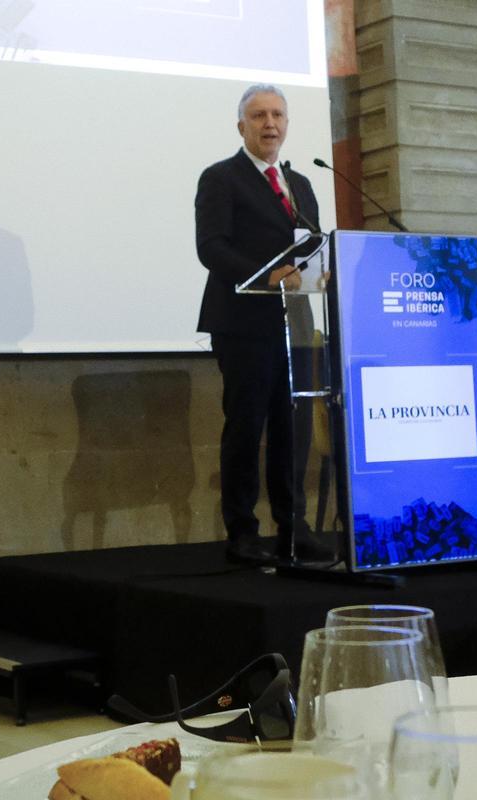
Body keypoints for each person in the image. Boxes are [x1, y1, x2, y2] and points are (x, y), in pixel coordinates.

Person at [194, 84, 331, 566]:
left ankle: (294, 527)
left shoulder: (301, 185)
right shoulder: (221, 178)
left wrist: (320, 272)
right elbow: (211, 247)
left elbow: (310, 247)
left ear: (287, 124)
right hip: (244, 322)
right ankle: (243, 532)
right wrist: (266, 274)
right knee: (247, 426)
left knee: (292, 431)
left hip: (295, 322)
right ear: (241, 126)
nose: (269, 123)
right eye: (258, 116)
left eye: (277, 115)